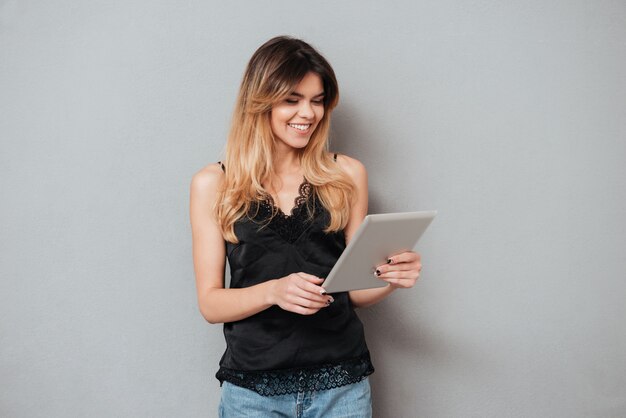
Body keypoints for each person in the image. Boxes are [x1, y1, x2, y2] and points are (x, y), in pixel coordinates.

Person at [190, 36, 422, 418]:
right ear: (260, 101)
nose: (308, 113)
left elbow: (356, 292)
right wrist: (274, 291)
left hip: (341, 387)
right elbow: (211, 304)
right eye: (292, 99)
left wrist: (390, 277)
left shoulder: (346, 174)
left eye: (317, 100)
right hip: (252, 392)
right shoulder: (213, 184)